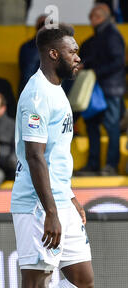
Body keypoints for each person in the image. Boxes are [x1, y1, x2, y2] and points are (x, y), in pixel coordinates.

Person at [11, 23, 94, 288]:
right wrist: (52, 211)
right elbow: (35, 157)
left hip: (59, 198)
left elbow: (55, 155)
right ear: (53, 54)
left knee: (82, 283)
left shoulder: (56, 89)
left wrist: (69, 197)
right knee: (37, 285)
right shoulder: (37, 95)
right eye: (73, 51)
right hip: (38, 204)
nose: (78, 57)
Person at [75, 3, 125, 176]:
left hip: (110, 89)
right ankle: (93, 164)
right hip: (96, 90)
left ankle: (111, 165)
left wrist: (95, 71)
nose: (91, 20)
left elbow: (118, 63)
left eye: (94, 16)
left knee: (111, 127)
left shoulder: (112, 36)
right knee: (92, 126)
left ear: (103, 17)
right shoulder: (96, 38)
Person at [18, 14, 47, 95]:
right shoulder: (27, 47)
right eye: (43, 24)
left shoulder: (58, 47)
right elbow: (26, 73)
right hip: (33, 92)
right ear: (37, 27)